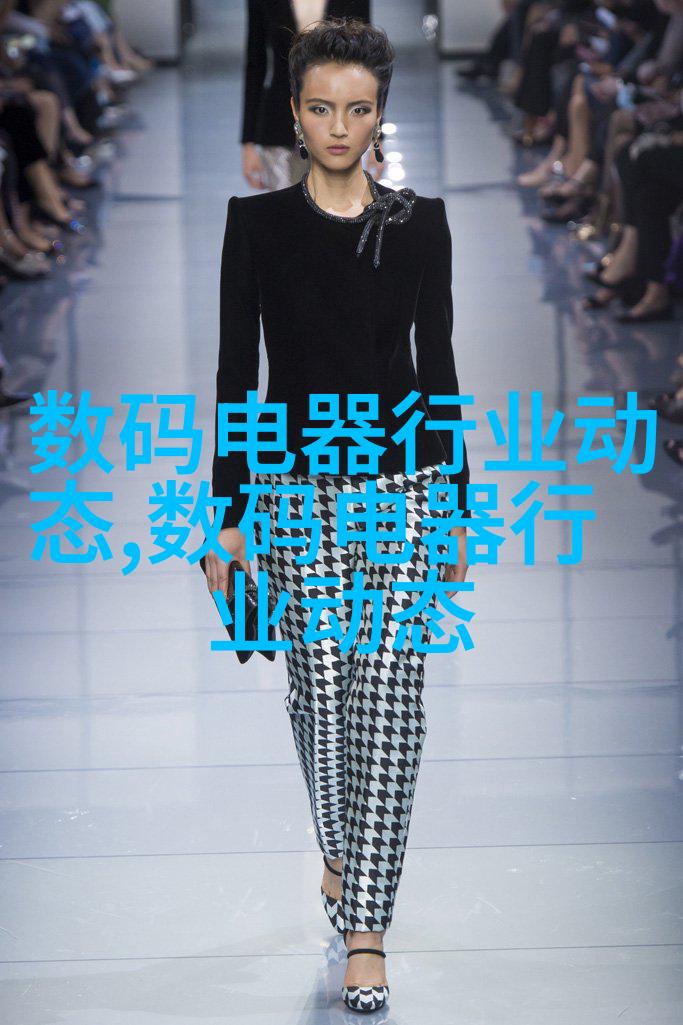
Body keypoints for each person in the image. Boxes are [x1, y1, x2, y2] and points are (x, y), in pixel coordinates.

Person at [206, 16, 470, 1013]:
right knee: (319, 694)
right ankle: (338, 847)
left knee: (389, 699)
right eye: (320, 108)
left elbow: (437, 369)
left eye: (356, 109)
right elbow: (236, 376)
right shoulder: (256, 225)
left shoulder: (419, 223)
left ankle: (366, 926)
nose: (337, 126)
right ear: (293, 112)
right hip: (292, 490)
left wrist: (454, 507)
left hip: (402, 488)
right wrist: (226, 514)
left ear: (377, 115)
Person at [240, 0, 384, 190]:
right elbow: (256, 64)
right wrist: (249, 143)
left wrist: (376, 138)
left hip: (342, 118)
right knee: (284, 203)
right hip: (280, 121)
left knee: (340, 200)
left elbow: (370, 63)